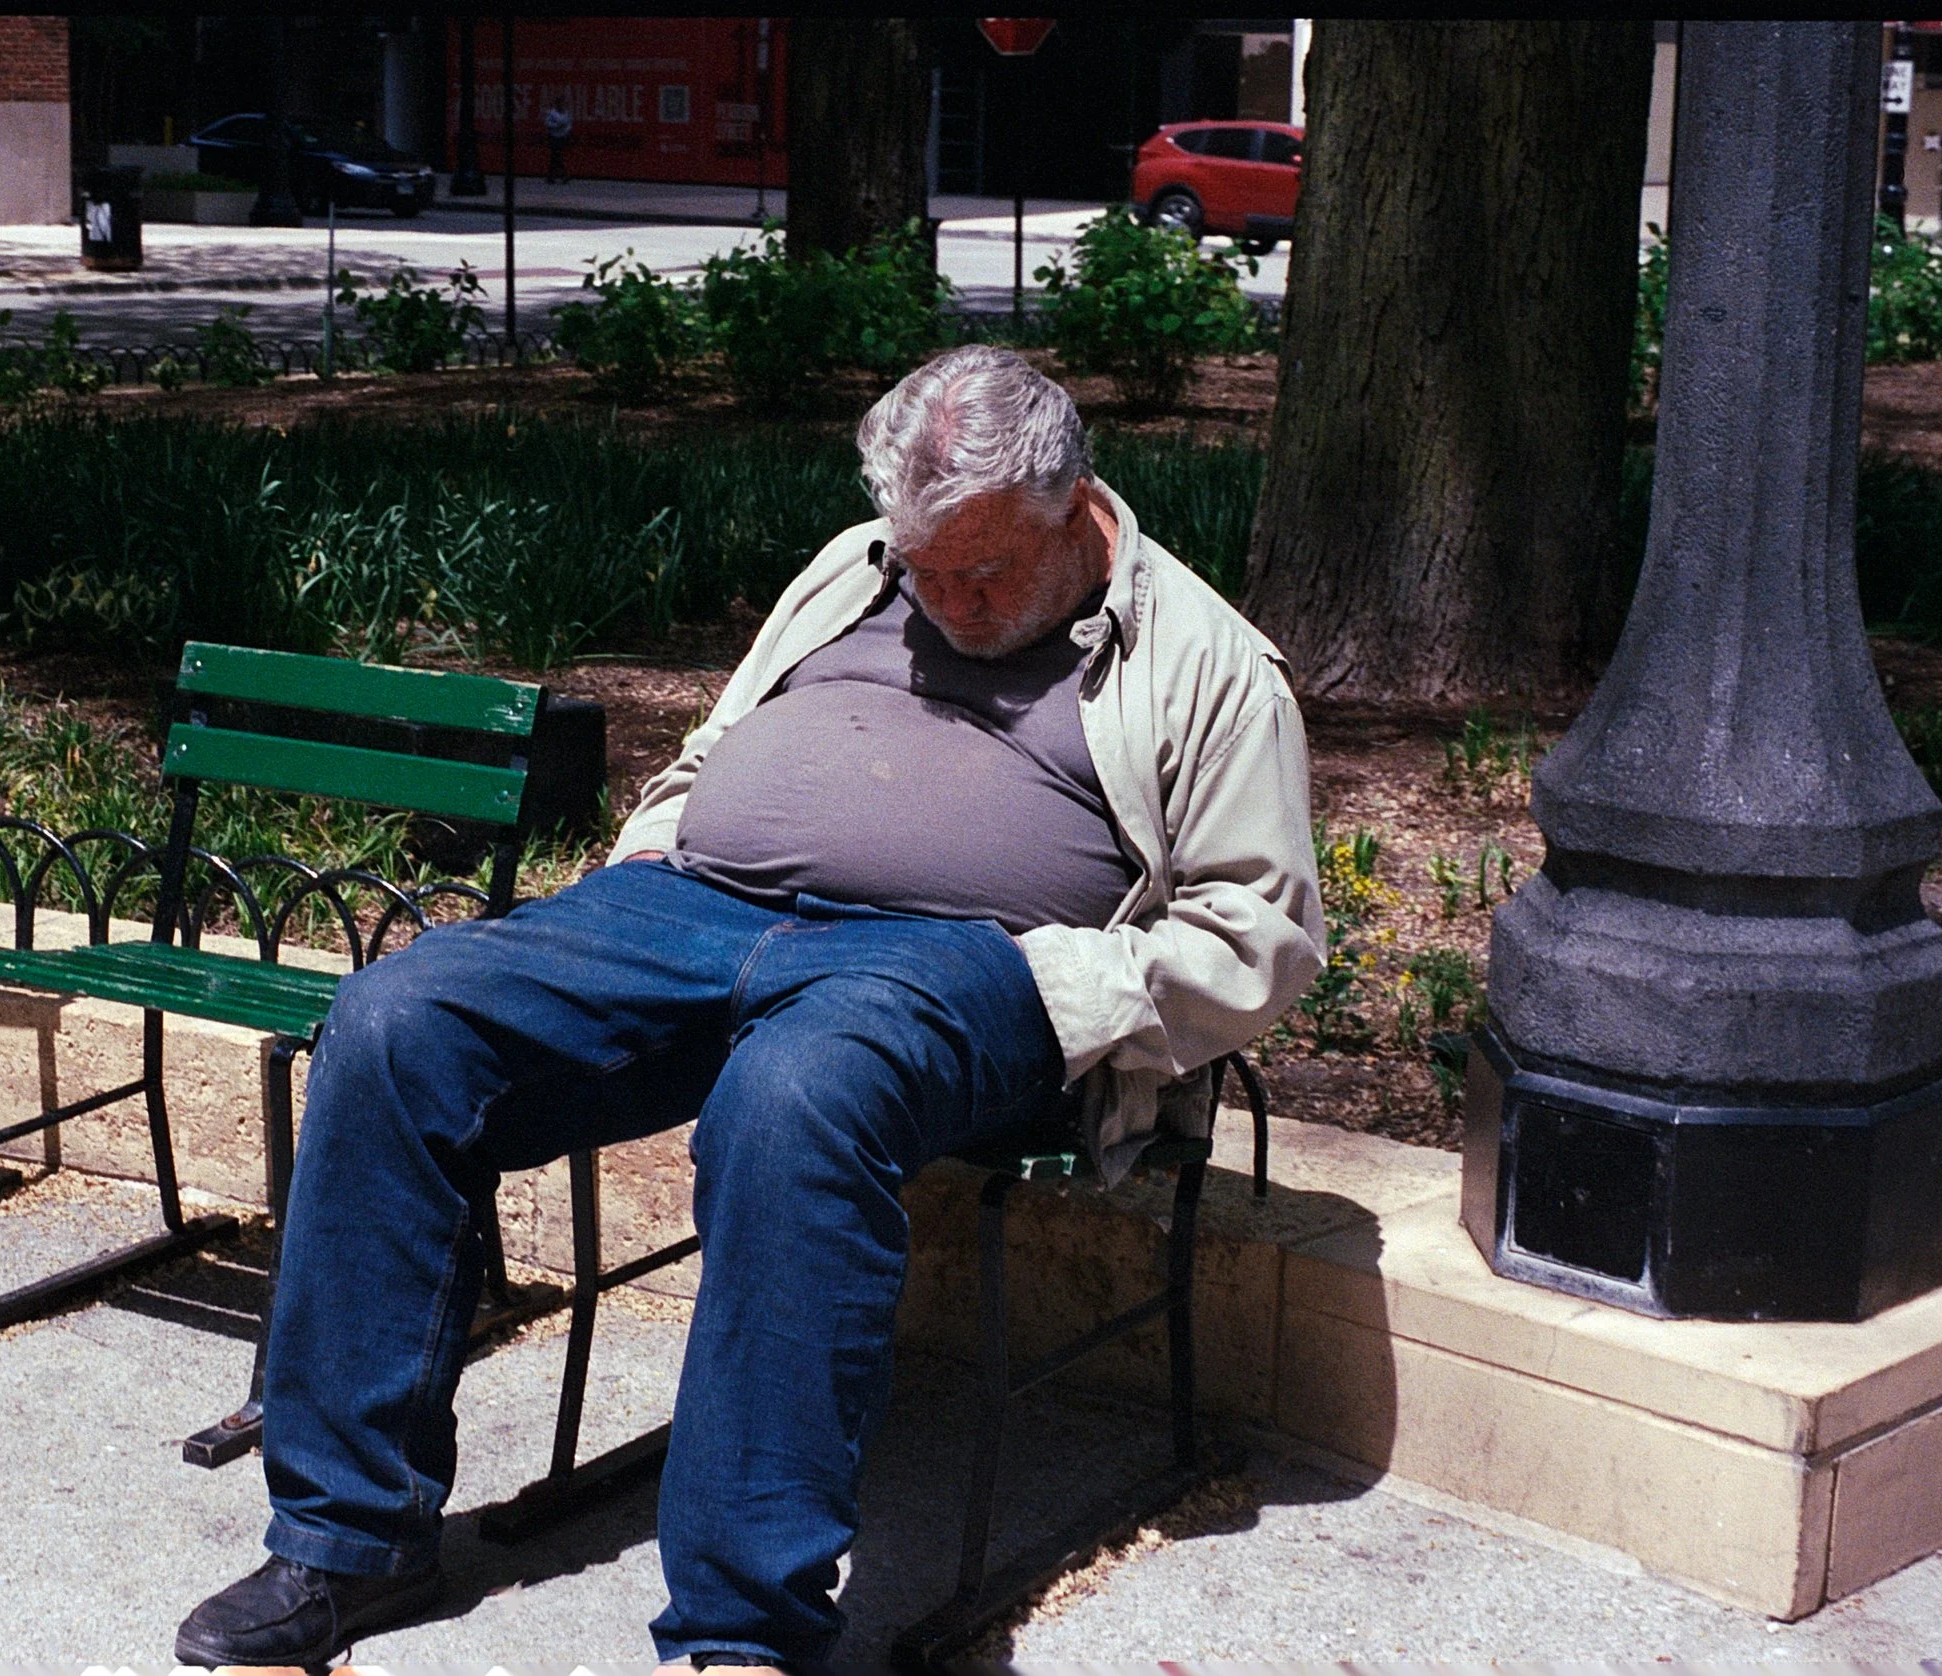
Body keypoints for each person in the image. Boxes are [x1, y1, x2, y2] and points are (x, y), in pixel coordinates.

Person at [174, 344, 1326, 1671]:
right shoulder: (856, 569)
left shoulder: (1208, 660)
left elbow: (1262, 937)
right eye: (923, 572)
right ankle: (347, 1540)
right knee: (396, 1021)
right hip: (695, 912)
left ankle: (738, 1628)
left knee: (793, 1099)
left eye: (983, 573)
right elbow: (721, 741)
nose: (944, 601)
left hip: (956, 969)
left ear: (1073, 508)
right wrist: (658, 855)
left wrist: (1050, 983)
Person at [544, 99, 573, 183]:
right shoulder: (552, 114)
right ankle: (564, 175)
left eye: (563, 104)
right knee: (556, 155)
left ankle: (550, 176)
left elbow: (569, 124)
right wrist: (557, 126)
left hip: (562, 137)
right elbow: (547, 123)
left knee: (555, 156)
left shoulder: (566, 114)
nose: (561, 105)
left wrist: (566, 130)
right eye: (560, 104)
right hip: (553, 136)